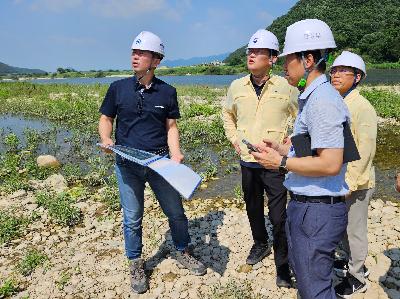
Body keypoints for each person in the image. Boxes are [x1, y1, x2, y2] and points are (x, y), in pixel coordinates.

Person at [98, 31, 206, 294]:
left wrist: (176, 153)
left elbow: (171, 126)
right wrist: (106, 139)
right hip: (127, 164)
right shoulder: (117, 88)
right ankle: (135, 262)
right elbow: (106, 118)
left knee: (176, 213)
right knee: (132, 217)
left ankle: (182, 250)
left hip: (159, 164)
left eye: (141, 53)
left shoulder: (167, 92)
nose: (135, 57)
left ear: (155, 61)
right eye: (133, 52)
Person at [251, 19, 350, 298]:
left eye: (288, 60)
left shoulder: (323, 102)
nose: (284, 67)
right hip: (310, 208)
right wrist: (285, 150)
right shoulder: (314, 97)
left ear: (308, 60)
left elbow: (330, 163)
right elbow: (319, 151)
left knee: (314, 289)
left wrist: (280, 163)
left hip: (317, 210)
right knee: (310, 280)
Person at [222, 29, 298, 288]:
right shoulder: (236, 86)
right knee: (252, 206)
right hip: (247, 160)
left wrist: (290, 144)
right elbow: (227, 115)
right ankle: (260, 243)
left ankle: (283, 264)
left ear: (273, 58)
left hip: (274, 162)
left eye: (258, 52)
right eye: (249, 52)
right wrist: (234, 139)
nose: (251, 55)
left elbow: (301, 120)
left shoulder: (287, 87)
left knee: (278, 215)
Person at [329, 51, 377, 298]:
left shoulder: (361, 106)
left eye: (342, 71)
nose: (335, 75)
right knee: (342, 228)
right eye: (333, 71)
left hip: (357, 182)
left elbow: (365, 150)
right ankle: (353, 262)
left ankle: (358, 277)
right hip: (342, 179)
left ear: (357, 77)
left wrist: (351, 182)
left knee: (354, 231)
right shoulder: (340, 101)